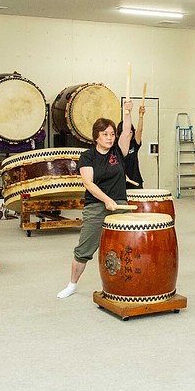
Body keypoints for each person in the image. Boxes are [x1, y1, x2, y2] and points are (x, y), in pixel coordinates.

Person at [57, 98, 134, 299]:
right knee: (84, 248)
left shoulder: (118, 151)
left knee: (126, 246)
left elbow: (126, 133)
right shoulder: (87, 156)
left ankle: (127, 284)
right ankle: (72, 285)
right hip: (96, 206)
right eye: (105, 134)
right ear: (96, 137)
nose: (110, 137)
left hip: (120, 206)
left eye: (111, 134)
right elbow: (89, 183)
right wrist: (107, 201)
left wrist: (127, 112)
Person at [119, 104, 145, 189]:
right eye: (126, 131)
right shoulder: (117, 146)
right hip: (121, 181)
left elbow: (140, 130)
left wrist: (141, 116)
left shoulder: (134, 143)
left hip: (135, 179)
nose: (129, 133)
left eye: (131, 131)